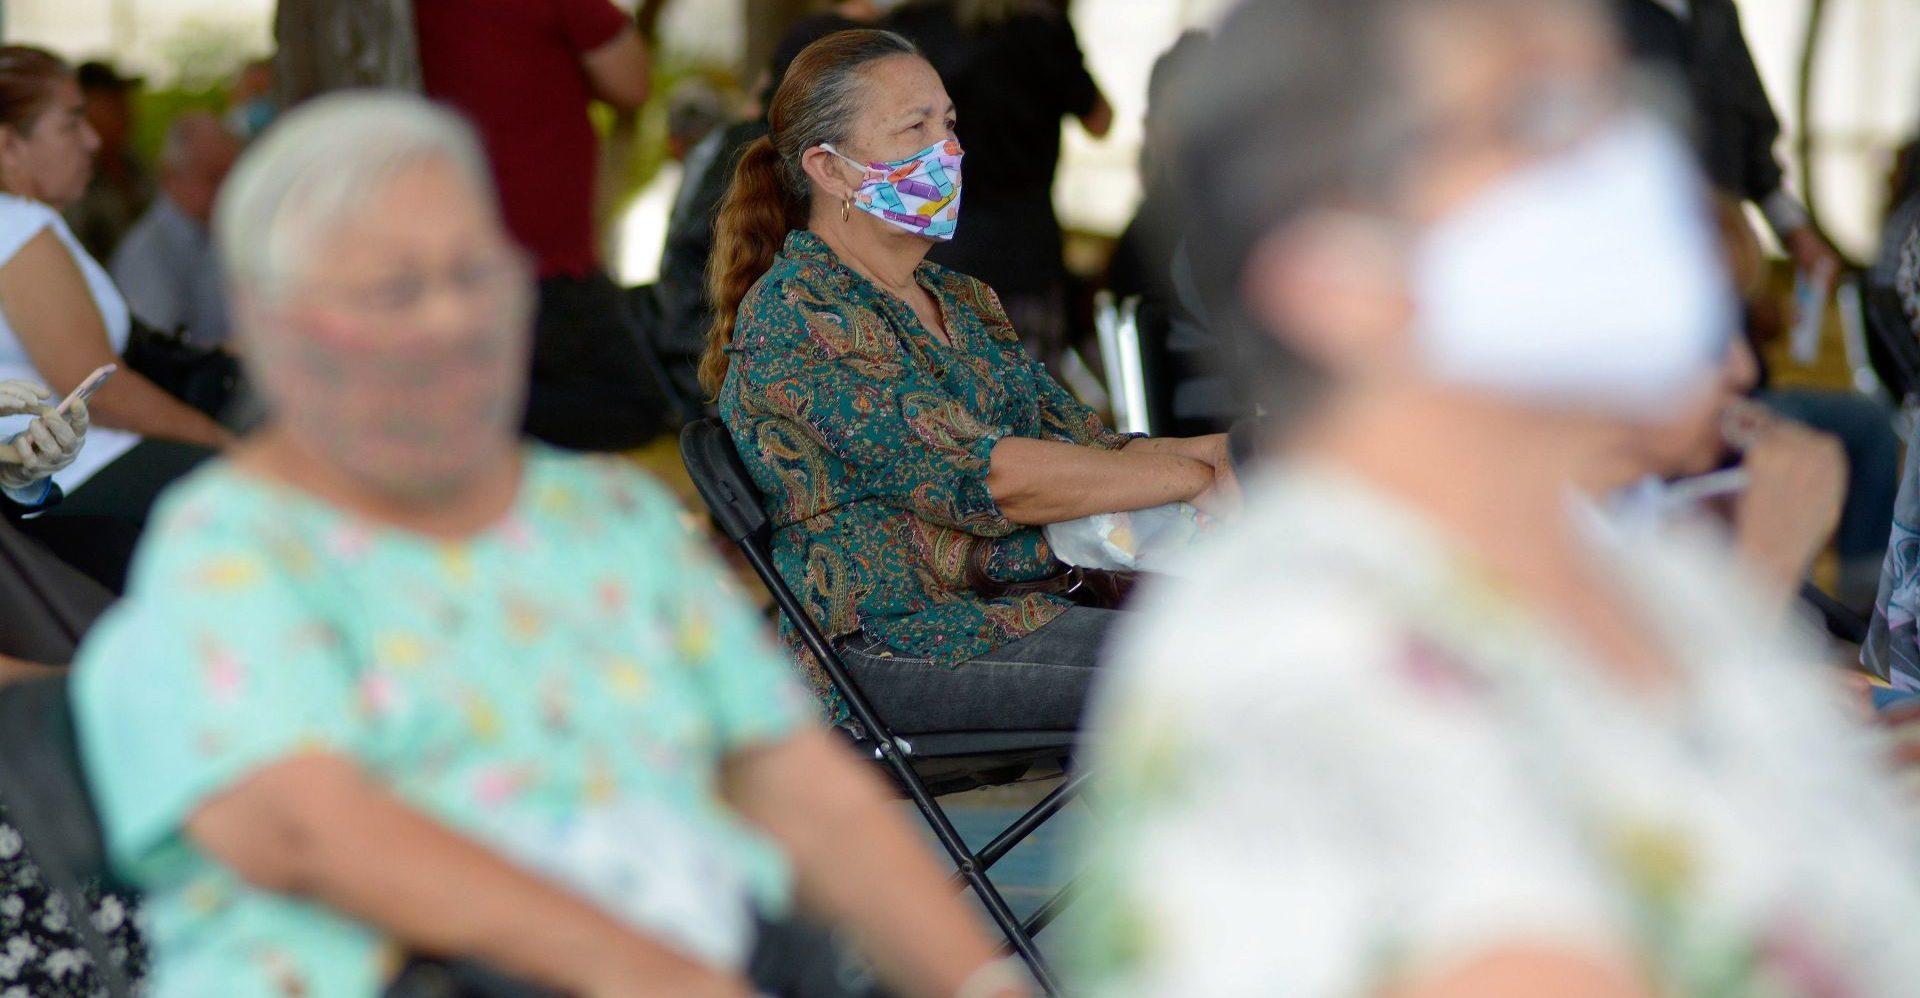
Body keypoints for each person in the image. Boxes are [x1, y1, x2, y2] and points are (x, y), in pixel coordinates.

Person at [70, 91, 1027, 998]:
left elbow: (798, 784)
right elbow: (313, 830)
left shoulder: (609, 520)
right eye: (397, 288)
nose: (453, 318)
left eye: (474, 273)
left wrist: (977, 979)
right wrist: (657, 974)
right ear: (276, 329)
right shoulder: (235, 552)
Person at [1072, 0, 1920, 994]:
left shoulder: (1644, 573)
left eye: (1626, 110)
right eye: (1541, 118)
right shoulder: (1306, 649)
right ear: (1337, 278)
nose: (1628, 174)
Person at [706, 29, 1234, 735]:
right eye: (915, 127)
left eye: (948, 124)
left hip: (1018, 609)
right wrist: (1193, 478)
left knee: (1291, 638)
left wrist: (1234, 454)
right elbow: (993, 480)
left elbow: (1087, 448)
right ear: (830, 171)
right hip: (897, 643)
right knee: (1229, 665)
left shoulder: (961, 300)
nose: (949, 149)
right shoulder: (800, 316)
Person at [415, 0, 674, 452]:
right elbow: (631, 82)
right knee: (635, 405)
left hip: (446, 250)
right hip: (540, 261)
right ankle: (446, 409)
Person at [0, 48, 229, 551]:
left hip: (41, 476)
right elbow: (97, 391)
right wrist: (230, 449)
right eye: (71, 123)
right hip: (70, 470)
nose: (93, 140)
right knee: (265, 497)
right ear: (8, 145)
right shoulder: (18, 227)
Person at [654, 11, 874, 408]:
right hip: (715, 376)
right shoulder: (770, 159)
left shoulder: (740, 146)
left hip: (710, 368)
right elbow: (693, 275)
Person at [886, 0, 1112, 371]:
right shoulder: (1041, 31)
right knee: (1032, 408)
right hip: (1026, 251)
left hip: (935, 247)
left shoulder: (914, 29)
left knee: (944, 409)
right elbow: (1101, 122)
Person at [1615, 0, 1838, 275]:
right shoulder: (1586, 17)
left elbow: (1753, 129)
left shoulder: (1715, 11)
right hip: (1637, 252)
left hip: (1723, 258)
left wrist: (1792, 228)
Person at [110, 112, 243, 347]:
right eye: (213, 177)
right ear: (171, 176)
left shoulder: (224, 231)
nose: (229, 188)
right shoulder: (147, 253)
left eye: (234, 175)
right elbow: (162, 356)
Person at [61, 61, 150, 265]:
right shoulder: (72, 179)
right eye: (112, 103)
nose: (127, 111)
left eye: (123, 102)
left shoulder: (135, 165)